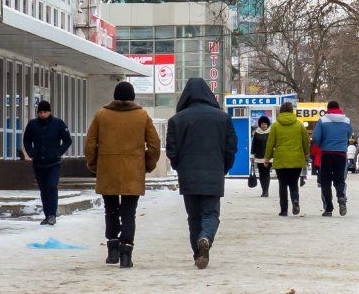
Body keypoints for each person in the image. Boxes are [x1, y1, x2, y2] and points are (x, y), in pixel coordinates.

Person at [85, 81, 161, 268]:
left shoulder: (101, 115)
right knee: (129, 213)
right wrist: (146, 165)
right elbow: (154, 145)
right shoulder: (142, 116)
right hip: (133, 171)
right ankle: (126, 254)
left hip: (107, 170)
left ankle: (112, 251)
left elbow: (89, 144)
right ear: (133, 97)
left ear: (115, 96)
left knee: (110, 210)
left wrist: (95, 165)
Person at [165, 78, 238, 270]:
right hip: (214, 173)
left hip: (188, 175)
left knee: (194, 217)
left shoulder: (177, 120)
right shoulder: (223, 118)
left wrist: (179, 166)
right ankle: (205, 237)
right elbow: (231, 147)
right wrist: (224, 168)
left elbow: (171, 149)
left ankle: (198, 254)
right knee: (210, 213)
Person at [21, 99, 72, 225]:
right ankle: (47, 215)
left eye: (45, 112)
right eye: (41, 112)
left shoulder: (58, 123)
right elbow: (26, 140)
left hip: (54, 163)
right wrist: (31, 153)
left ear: (49, 112)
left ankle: (52, 215)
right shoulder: (32, 124)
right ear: (38, 113)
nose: (43, 114)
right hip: (38, 163)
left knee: (51, 186)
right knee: (43, 189)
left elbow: (67, 140)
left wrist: (58, 152)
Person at [263, 100, 311, 216]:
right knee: (294, 183)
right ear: (291, 111)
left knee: (282, 184)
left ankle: (284, 210)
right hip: (296, 160)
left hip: (281, 159)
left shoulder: (275, 125)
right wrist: (306, 154)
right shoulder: (299, 124)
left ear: (281, 111)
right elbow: (306, 141)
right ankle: (295, 200)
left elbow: (270, 143)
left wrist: (267, 158)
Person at [311, 101, 354, 216]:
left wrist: (321, 144)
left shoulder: (323, 120)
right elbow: (349, 134)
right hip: (341, 154)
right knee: (339, 179)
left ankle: (328, 208)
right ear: (339, 108)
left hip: (326, 153)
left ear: (328, 108)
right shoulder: (347, 120)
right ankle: (341, 196)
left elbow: (315, 137)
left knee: (325, 180)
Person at [250, 115, 273, 197]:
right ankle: (263, 190)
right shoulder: (257, 133)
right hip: (259, 157)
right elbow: (254, 144)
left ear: (267, 125)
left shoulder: (271, 132)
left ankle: (266, 191)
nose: (264, 126)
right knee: (261, 173)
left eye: (265, 124)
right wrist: (252, 155)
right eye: (262, 124)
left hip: (268, 157)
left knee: (266, 173)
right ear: (260, 125)